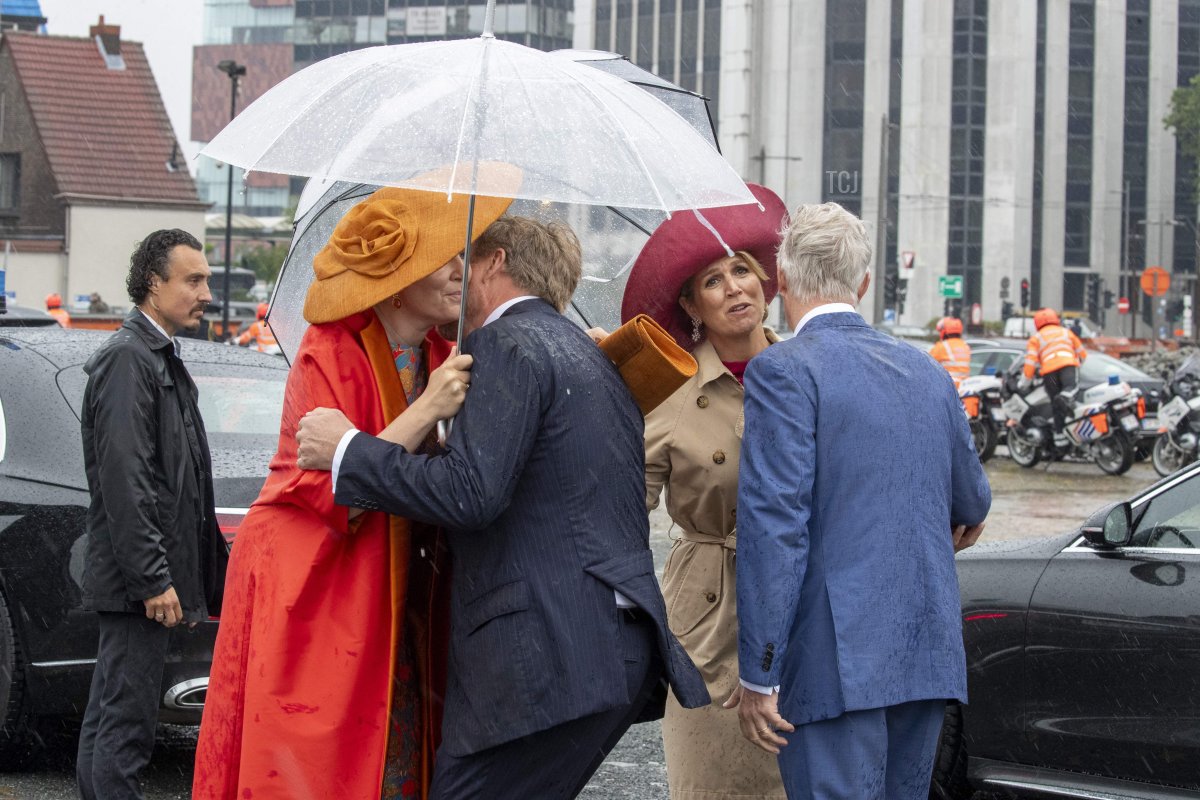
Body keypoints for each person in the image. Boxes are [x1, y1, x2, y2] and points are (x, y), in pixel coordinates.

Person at [295, 215, 709, 800]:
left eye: (466, 259)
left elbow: (471, 495)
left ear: (495, 262)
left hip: (543, 660)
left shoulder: (503, 344)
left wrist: (347, 450)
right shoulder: (586, 354)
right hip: (608, 647)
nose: (456, 273)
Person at [192, 186, 511, 800]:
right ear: (396, 277)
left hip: (393, 582)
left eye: (461, 253)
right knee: (310, 759)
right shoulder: (330, 348)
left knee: (399, 741)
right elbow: (341, 491)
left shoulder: (444, 351)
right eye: (443, 256)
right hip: (317, 579)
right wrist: (430, 411)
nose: (459, 269)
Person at [727, 203, 991, 799]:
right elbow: (973, 499)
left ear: (783, 281)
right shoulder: (925, 370)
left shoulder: (783, 370)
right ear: (864, 283)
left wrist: (757, 672)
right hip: (923, 649)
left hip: (833, 655)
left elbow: (775, 527)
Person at [619, 183, 789, 799]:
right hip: (709, 612)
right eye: (713, 281)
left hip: (796, 607)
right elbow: (623, 506)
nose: (735, 288)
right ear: (691, 304)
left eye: (741, 270)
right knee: (712, 782)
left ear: (766, 283)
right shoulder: (667, 390)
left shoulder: (805, 373)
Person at [76, 229, 230, 800]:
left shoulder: (155, 356)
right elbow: (126, 480)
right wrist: (153, 579)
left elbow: (181, 483)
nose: (206, 292)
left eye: (207, 279)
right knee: (126, 725)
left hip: (141, 579)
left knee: (114, 716)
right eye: (193, 279)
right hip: (137, 584)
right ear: (153, 283)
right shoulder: (128, 360)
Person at [1024, 307, 1087, 441]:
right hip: (1068, 365)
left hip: (1049, 372)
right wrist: (1077, 363)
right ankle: (1065, 398)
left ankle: (1060, 437)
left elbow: (1029, 364)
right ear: (1055, 319)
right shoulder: (1066, 333)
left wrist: (1024, 383)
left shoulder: (1035, 338)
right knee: (1071, 389)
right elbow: (1083, 353)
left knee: (1056, 404)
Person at [929, 316, 971, 388]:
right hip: (964, 387)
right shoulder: (965, 346)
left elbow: (927, 363)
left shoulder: (941, 347)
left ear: (944, 332)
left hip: (949, 387)